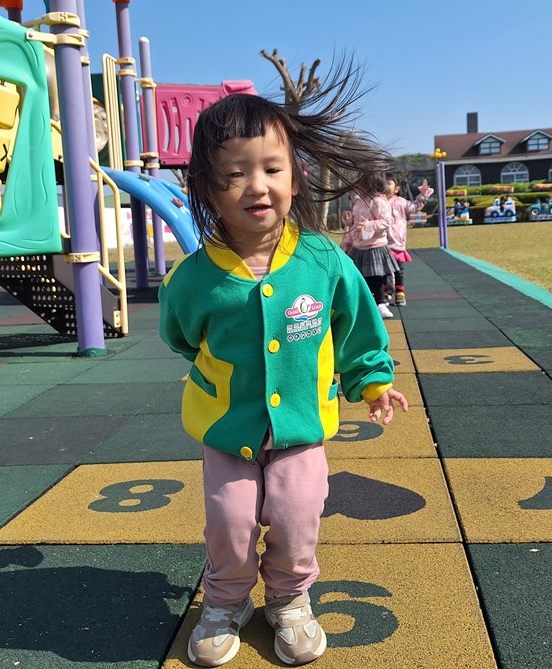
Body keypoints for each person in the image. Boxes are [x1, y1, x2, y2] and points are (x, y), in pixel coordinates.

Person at [158, 70, 409, 668]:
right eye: (234, 174)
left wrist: (372, 380)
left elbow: (355, 329)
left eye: (272, 168)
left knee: (298, 516)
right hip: (227, 427)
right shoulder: (194, 278)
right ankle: (226, 601)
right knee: (229, 519)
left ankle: (290, 599)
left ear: (295, 176)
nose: (257, 186)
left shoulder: (323, 261)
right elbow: (181, 336)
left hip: (301, 424)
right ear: (208, 188)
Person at [345, 172, 400, 319]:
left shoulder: (378, 201)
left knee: (376, 277)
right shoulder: (358, 202)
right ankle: (367, 304)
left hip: (375, 245)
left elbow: (386, 221)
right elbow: (356, 221)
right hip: (359, 246)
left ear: (370, 185)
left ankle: (381, 303)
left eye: (360, 183)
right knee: (362, 278)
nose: (357, 186)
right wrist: (349, 221)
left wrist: (368, 225)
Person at [385, 175, 433, 306]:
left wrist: (423, 195)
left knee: (398, 269)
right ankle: (387, 291)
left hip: (397, 242)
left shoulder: (400, 202)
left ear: (396, 189)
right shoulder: (379, 202)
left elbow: (414, 207)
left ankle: (399, 292)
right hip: (383, 242)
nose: (386, 186)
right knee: (384, 270)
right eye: (383, 184)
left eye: (389, 183)